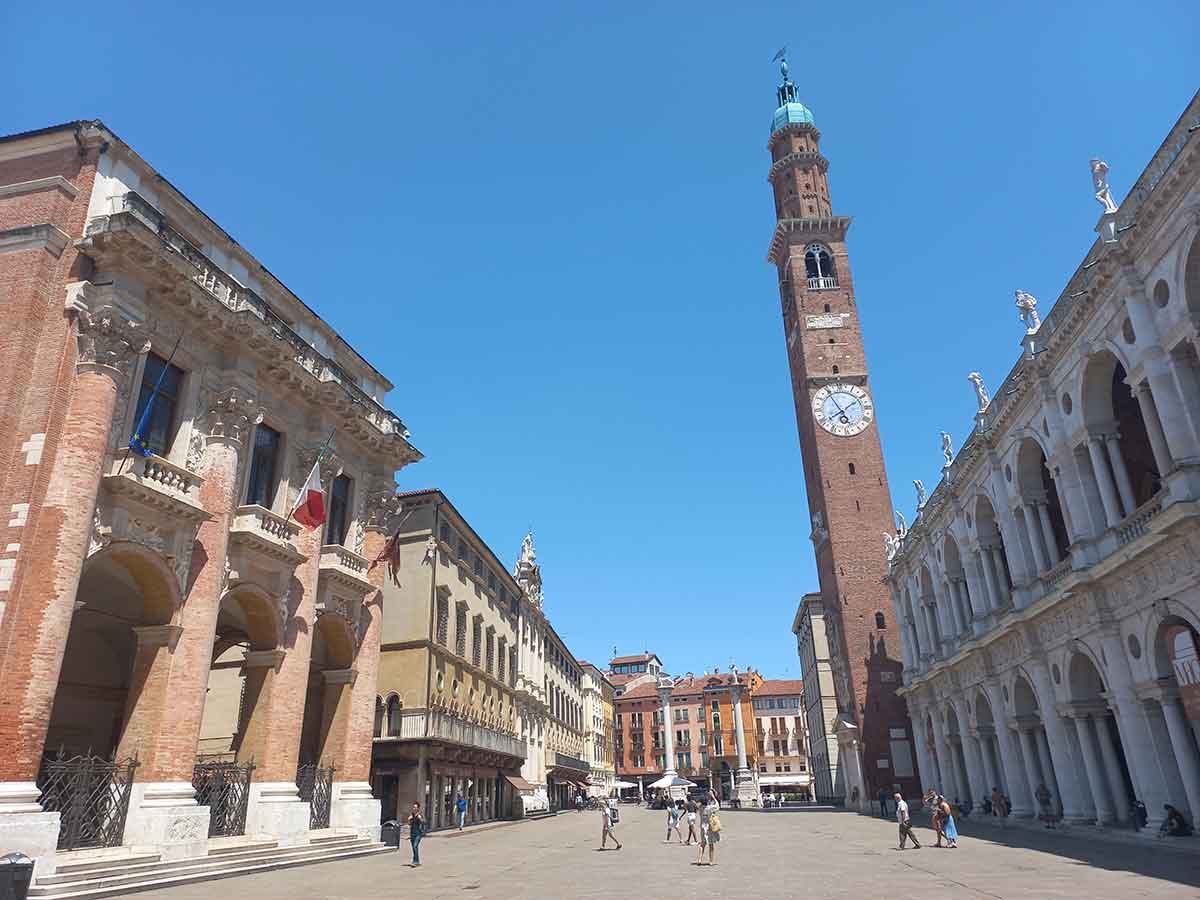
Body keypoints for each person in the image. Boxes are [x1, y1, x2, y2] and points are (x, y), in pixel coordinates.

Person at [699, 790, 721, 865]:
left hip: (702, 827)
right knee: (711, 845)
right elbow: (717, 806)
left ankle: (699, 859)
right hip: (709, 827)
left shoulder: (700, 807)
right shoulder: (710, 808)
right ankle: (711, 861)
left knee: (702, 844)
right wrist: (713, 797)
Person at [407, 802, 425, 867]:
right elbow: (409, 824)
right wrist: (409, 820)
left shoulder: (420, 815)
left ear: (418, 808)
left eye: (415, 807)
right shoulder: (411, 815)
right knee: (414, 848)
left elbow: (424, 822)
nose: (414, 808)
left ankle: (416, 861)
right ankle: (416, 860)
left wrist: (420, 819)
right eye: (413, 807)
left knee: (415, 846)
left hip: (418, 833)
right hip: (412, 833)